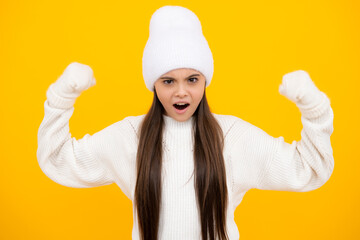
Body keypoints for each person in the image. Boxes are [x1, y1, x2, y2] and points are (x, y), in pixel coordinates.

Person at [36, 5, 334, 240]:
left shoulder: (233, 137)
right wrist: (62, 97)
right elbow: (59, 160)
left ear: (205, 81)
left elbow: (308, 170)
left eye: (192, 79)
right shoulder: (130, 138)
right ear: (154, 84)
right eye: (168, 81)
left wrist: (314, 108)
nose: (181, 92)